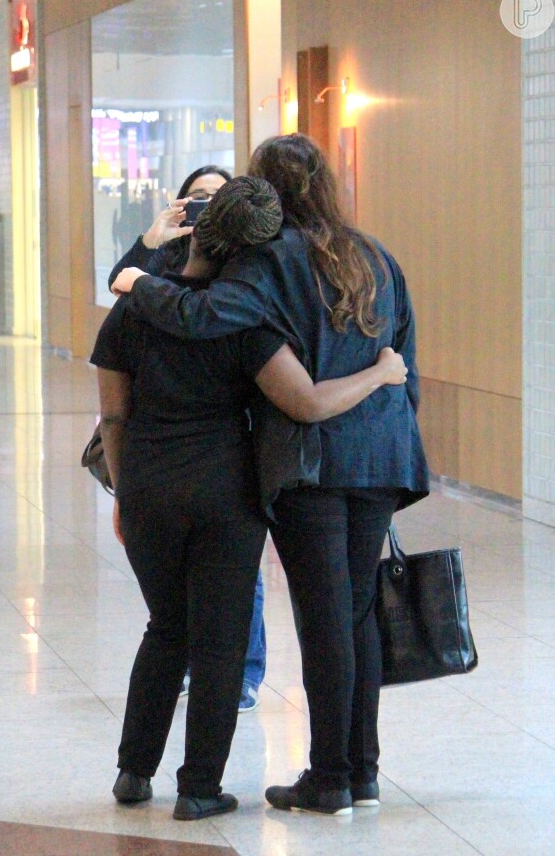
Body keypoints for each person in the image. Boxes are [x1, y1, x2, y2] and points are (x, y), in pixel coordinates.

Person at [111, 134, 430, 817]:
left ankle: (331, 776)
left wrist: (135, 276)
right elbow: (406, 365)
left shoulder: (271, 260)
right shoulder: (377, 256)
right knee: (357, 610)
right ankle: (364, 773)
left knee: (324, 618)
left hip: (311, 460)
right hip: (380, 454)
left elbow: (202, 313)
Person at [109, 165, 263, 712]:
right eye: (196, 198)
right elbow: (121, 290)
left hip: (214, 460)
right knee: (178, 607)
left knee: (232, 595)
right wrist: (150, 242)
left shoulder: (243, 276)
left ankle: (242, 670)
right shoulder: (167, 256)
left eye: (216, 200)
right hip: (187, 463)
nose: (204, 209)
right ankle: (199, 778)